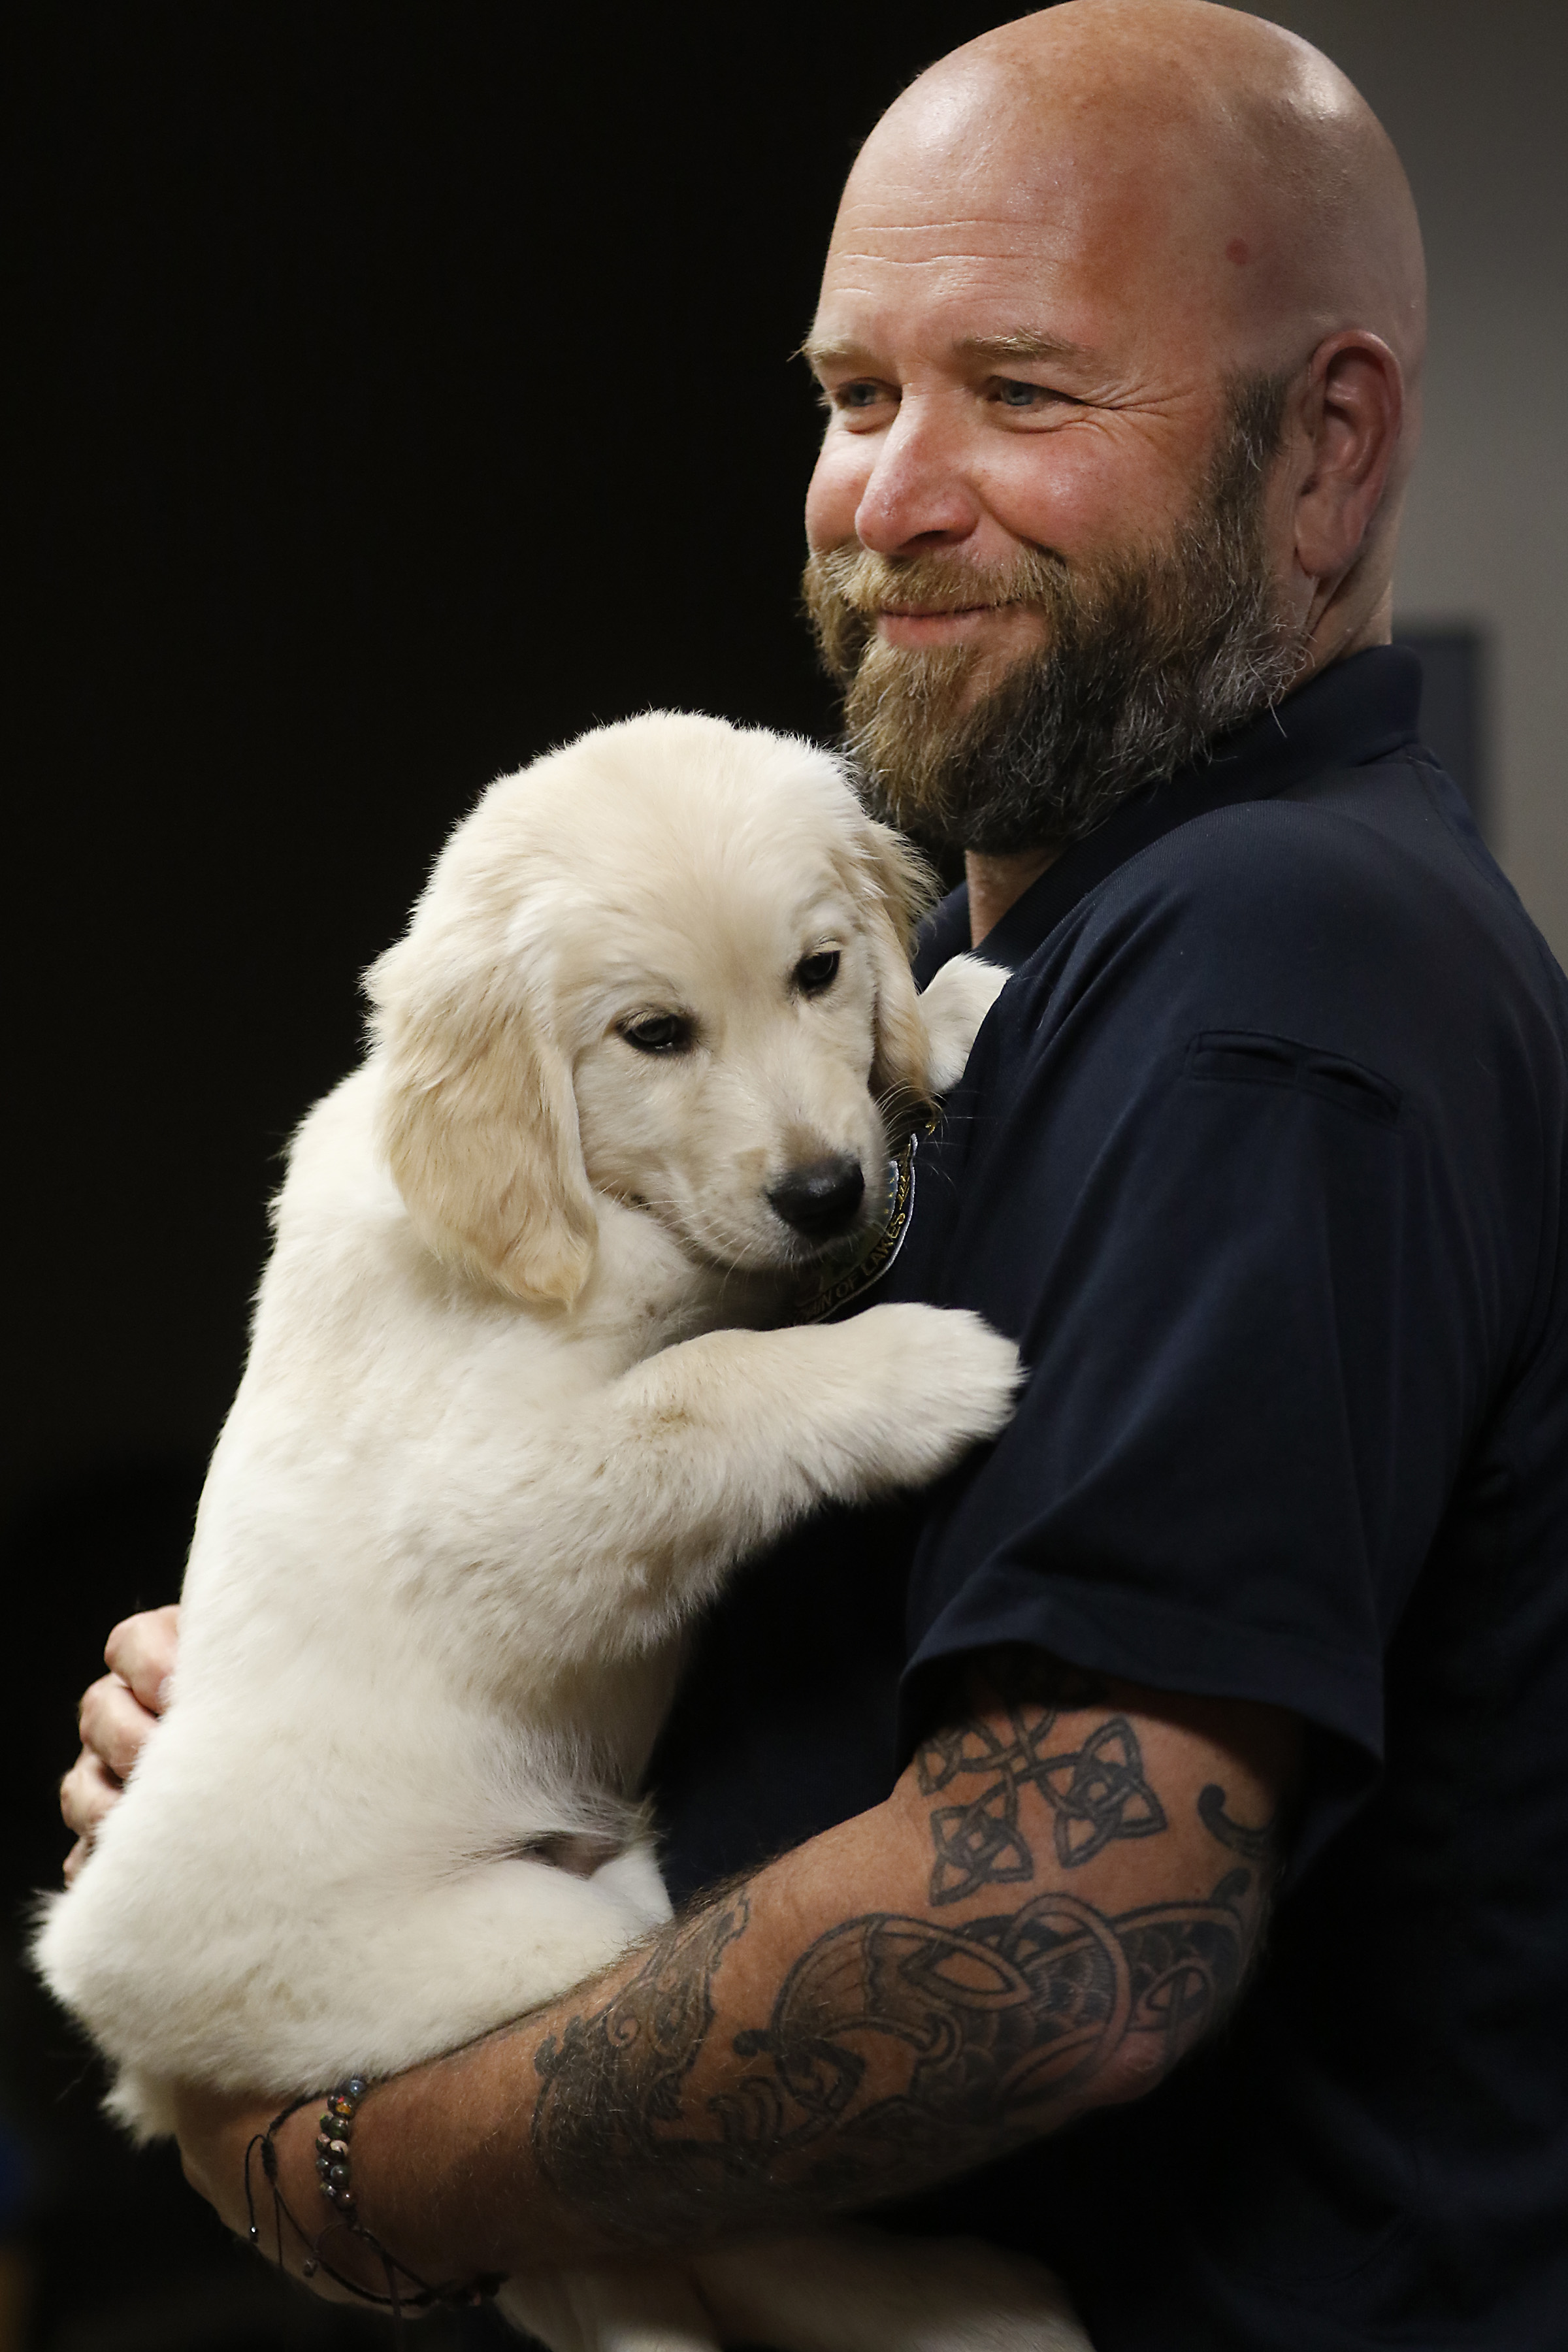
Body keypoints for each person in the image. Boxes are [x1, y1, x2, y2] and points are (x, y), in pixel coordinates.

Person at [59, 4, 1568, 2345]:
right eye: (857, 398)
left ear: (1329, 450)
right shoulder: (1027, 981)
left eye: (1028, 394)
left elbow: (1063, 1927)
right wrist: (321, 1707)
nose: (890, 496)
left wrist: (351, 2162)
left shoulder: (1269, 963)